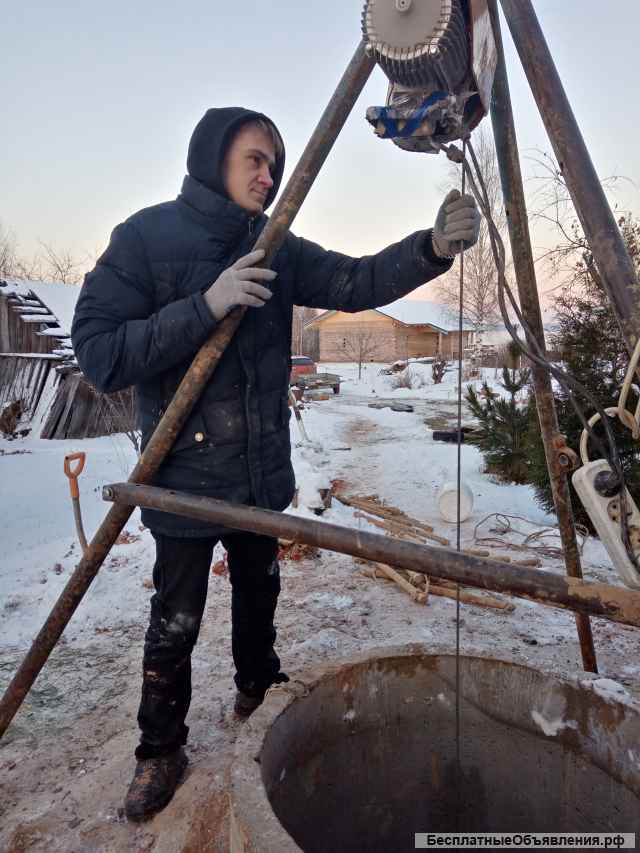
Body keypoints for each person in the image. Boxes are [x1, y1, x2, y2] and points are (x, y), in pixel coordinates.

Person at [71, 107, 480, 821]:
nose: (269, 175)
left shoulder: (277, 246)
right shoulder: (146, 239)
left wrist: (431, 249)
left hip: (259, 479)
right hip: (184, 484)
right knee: (175, 621)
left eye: (275, 164)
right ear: (213, 156)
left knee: (260, 599)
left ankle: (259, 697)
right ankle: (158, 749)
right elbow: (101, 354)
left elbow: (355, 281)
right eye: (256, 159)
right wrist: (205, 304)